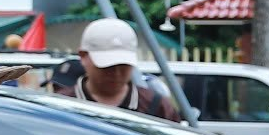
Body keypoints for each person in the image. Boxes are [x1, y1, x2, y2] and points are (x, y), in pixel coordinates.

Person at [47, 17, 180, 119]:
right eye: (107, 66)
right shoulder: (60, 106)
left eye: (123, 66)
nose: (116, 73)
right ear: (83, 56)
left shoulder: (157, 107)